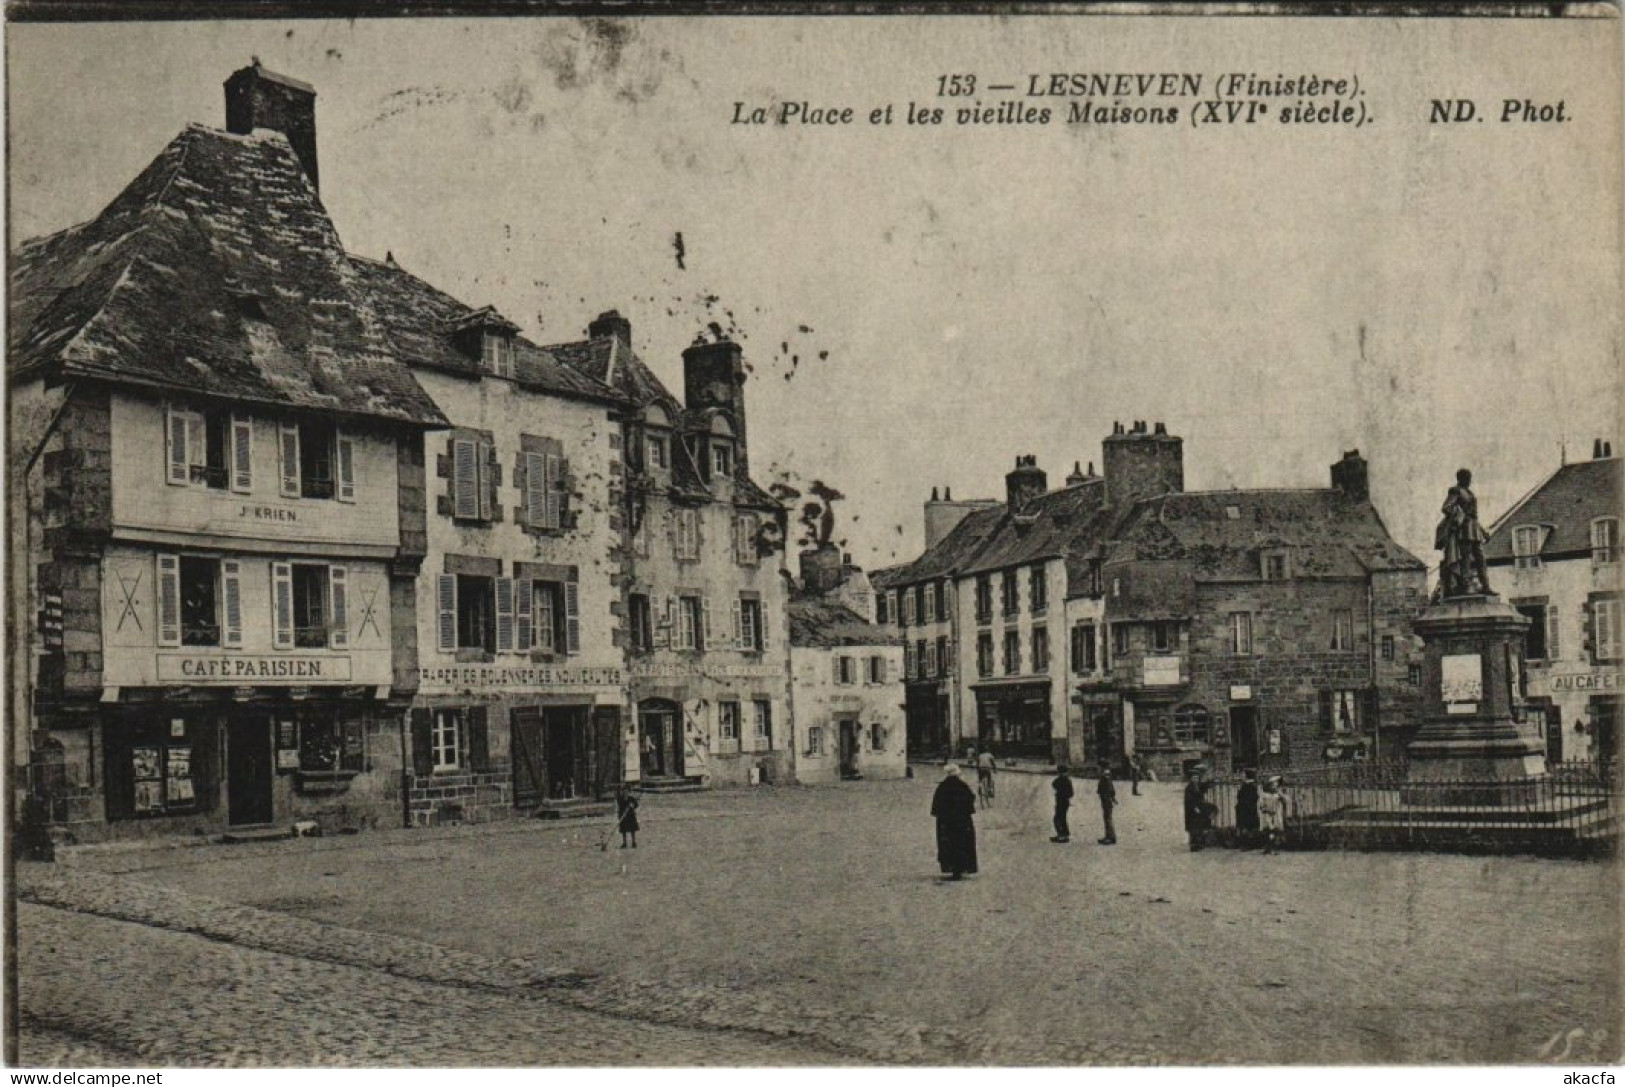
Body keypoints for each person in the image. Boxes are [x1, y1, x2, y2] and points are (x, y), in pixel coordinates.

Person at [1435, 467, 1491, 598]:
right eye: (1467, 478)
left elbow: (1474, 517)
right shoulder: (1455, 491)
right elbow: (1446, 508)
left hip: (1474, 528)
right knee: (1465, 559)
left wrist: (1483, 532)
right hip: (1463, 530)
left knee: (1480, 558)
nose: (1469, 481)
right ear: (1460, 479)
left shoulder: (1469, 493)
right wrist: (1459, 516)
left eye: (1470, 478)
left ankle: (1486, 586)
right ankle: (1464, 585)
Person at [930, 763, 978, 879]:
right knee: (963, 843)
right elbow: (970, 801)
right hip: (962, 821)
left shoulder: (942, 787)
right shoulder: (962, 786)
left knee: (948, 844)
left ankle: (951, 867)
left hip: (946, 822)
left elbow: (936, 806)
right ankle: (962, 867)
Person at [1184, 771, 1216, 852]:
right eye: (1194, 778)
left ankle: (1199, 843)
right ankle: (1193, 845)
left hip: (1199, 808)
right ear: (1191, 779)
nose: (1196, 779)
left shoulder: (1198, 786)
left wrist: (1210, 780)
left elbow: (1205, 787)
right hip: (1192, 811)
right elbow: (1188, 800)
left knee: (1199, 826)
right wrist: (1194, 808)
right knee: (1193, 828)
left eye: (1197, 778)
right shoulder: (1189, 788)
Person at [1258, 775, 1288, 855]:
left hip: (1275, 814)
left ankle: (1272, 848)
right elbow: (1261, 803)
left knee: (1274, 831)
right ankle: (1266, 847)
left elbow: (1285, 801)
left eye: (1277, 783)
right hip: (1266, 814)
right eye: (1274, 783)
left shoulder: (1278, 793)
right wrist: (1264, 809)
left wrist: (1281, 795)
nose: (1276, 785)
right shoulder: (1264, 793)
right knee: (1266, 831)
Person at [1235, 769, 1260, 848]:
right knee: (1245, 826)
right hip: (1244, 808)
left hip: (1247, 809)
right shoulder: (1245, 785)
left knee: (1248, 827)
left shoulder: (1250, 786)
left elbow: (1252, 798)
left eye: (1243, 774)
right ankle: (1246, 843)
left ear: (1247, 776)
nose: (1241, 776)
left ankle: (1248, 844)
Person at [1096, 766, 1118, 844]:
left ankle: (1110, 837)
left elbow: (1108, 789)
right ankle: (1109, 836)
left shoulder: (1105, 777)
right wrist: (1113, 797)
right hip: (1107, 799)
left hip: (1106, 800)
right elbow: (1112, 789)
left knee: (1107, 818)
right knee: (1107, 818)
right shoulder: (1107, 776)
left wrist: (1110, 798)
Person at [615, 784, 640, 849]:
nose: (625, 793)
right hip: (623, 816)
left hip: (630, 816)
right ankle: (624, 843)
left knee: (632, 829)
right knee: (623, 830)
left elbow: (636, 805)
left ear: (629, 792)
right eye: (624, 791)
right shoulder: (620, 799)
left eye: (627, 791)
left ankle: (634, 842)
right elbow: (620, 806)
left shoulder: (631, 798)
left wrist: (632, 806)